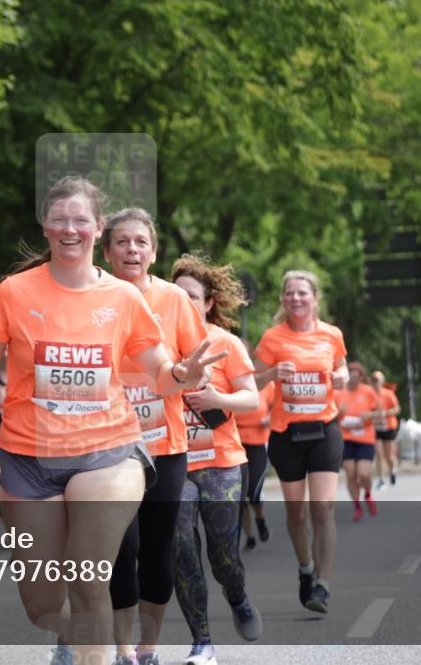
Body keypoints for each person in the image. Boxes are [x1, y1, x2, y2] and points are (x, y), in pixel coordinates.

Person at [0, 177, 226, 665]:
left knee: (89, 578)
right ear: (45, 226)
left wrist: (181, 374)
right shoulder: (13, 293)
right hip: (27, 458)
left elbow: (160, 376)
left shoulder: (124, 300)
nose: (70, 229)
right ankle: (85, 636)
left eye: (80, 220)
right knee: (42, 605)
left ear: (96, 227)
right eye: (60, 219)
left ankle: (102, 649)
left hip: (108, 452)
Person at [100, 209, 208, 665]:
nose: (132, 250)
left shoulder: (174, 300)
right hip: (107, 446)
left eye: (141, 242)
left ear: (154, 251)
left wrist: (188, 375)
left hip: (165, 444)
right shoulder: (91, 296)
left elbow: (196, 364)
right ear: (106, 251)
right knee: (122, 549)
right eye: (122, 242)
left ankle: (148, 647)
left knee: (159, 550)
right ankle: (124, 650)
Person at [171, 254, 263, 665]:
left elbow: (250, 397)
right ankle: (202, 640)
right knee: (181, 549)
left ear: (208, 302)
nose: (184, 302)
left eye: (192, 296)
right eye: (177, 295)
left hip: (222, 461)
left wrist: (217, 399)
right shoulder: (154, 345)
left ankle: (238, 594)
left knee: (224, 555)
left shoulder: (225, 343)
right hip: (173, 464)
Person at [252, 270, 348, 614]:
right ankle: (305, 567)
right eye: (290, 293)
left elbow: (342, 370)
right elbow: (251, 380)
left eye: (302, 293)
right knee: (297, 512)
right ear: (283, 300)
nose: (296, 298)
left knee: (323, 508)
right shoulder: (273, 338)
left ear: (315, 299)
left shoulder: (331, 335)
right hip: (286, 435)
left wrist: (341, 377)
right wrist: (271, 375)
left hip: (324, 429)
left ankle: (322, 585)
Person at [335, 363, 379, 521]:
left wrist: (369, 416)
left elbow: (378, 412)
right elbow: (331, 416)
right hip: (346, 439)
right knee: (351, 474)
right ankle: (357, 506)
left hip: (365, 438)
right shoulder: (339, 392)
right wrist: (339, 414)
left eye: (355, 377)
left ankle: (367, 494)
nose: (352, 381)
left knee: (364, 474)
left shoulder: (368, 392)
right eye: (350, 377)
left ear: (360, 377)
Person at [239, 378, 275, 551]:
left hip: (259, 440)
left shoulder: (266, 384)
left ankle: (259, 518)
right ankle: (250, 536)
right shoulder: (225, 384)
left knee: (254, 491)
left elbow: (279, 406)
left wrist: (270, 417)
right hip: (235, 443)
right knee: (240, 495)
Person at [370, 371, 400, 488]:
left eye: (377, 380)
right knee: (379, 453)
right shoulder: (370, 394)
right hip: (376, 427)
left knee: (389, 455)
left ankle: (392, 470)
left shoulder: (388, 394)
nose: (375, 383)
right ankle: (381, 479)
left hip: (389, 427)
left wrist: (386, 413)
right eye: (373, 380)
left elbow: (397, 409)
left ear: (382, 382)